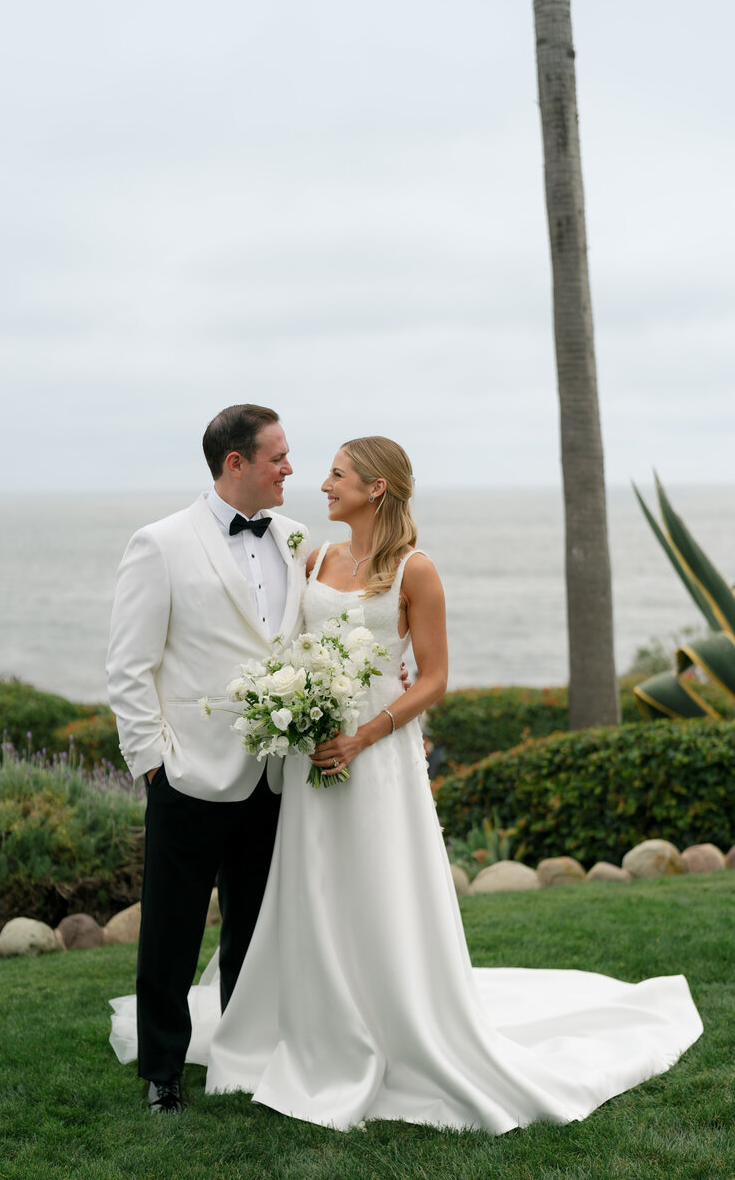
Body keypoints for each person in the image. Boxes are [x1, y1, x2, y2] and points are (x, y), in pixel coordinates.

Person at [111, 435, 703, 1133]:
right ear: (237, 461)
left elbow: (434, 677)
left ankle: (391, 1025)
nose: (314, 481)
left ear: (377, 489)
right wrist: (174, 749)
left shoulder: (415, 571)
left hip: (374, 757)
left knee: (376, 892)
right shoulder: (311, 552)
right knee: (302, 896)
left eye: (335, 474)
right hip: (296, 763)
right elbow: (266, 643)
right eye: (293, 462)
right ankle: (264, 1039)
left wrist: (362, 733)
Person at [106, 404, 309, 1113]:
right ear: (236, 464)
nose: (291, 469)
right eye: (279, 457)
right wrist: (152, 761)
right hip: (188, 772)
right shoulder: (158, 544)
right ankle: (163, 1071)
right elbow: (129, 666)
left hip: (274, 772)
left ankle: (247, 1054)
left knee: (256, 927)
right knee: (172, 927)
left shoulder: (294, 538)